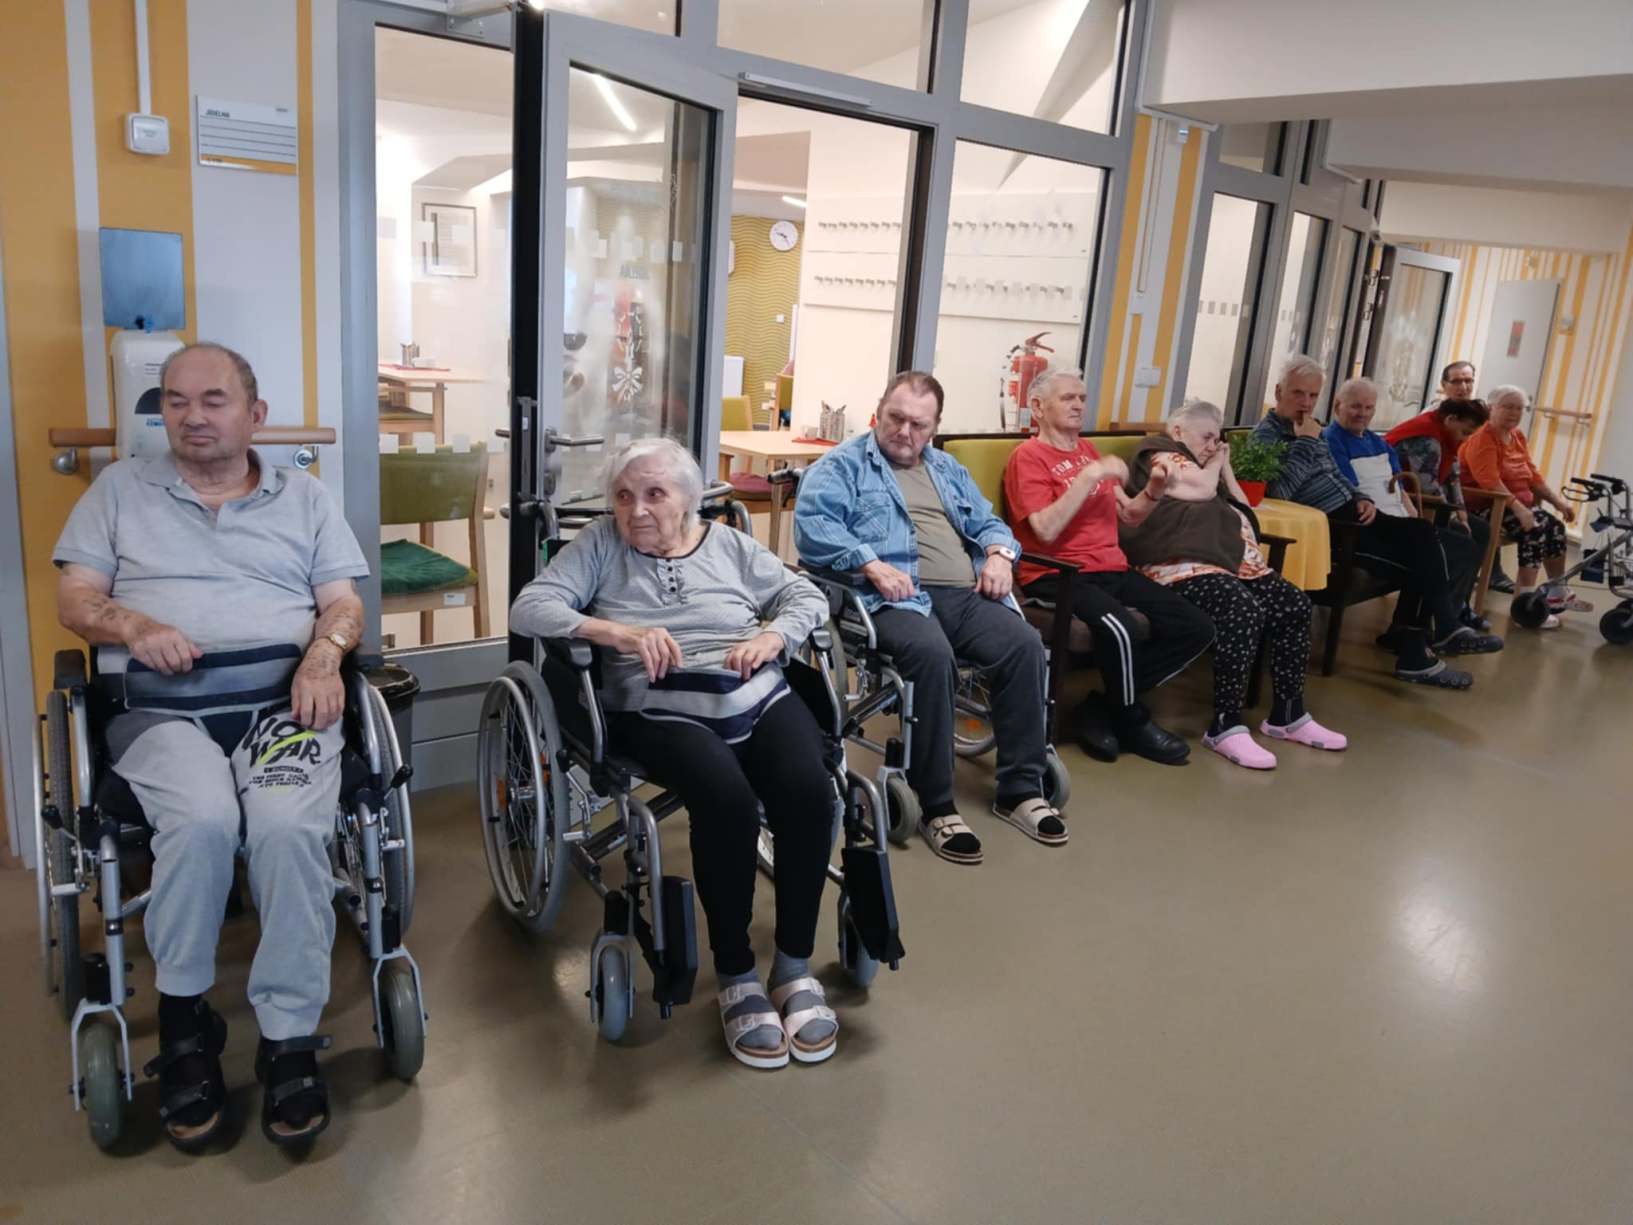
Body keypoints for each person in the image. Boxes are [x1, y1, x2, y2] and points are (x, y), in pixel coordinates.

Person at [53, 343, 368, 1149]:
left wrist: (325, 654)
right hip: (161, 710)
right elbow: (75, 598)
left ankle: (288, 1036)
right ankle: (186, 1019)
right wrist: (135, 624)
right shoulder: (118, 490)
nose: (192, 416)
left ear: (254, 414)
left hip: (281, 706)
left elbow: (342, 602)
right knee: (199, 821)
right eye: (175, 400)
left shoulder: (305, 497)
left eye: (213, 400)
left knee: (288, 827)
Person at [510, 438, 838, 1070]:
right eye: (623, 495)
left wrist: (773, 637)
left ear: (689, 499)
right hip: (657, 704)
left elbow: (806, 598)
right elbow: (531, 606)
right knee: (726, 799)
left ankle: (794, 966)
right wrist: (615, 632)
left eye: (654, 494)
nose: (636, 510)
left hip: (753, 689)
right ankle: (737, 974)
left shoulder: (731, 545)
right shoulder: (600, 546)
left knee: (808, 790)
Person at [795, 370, 1066, 866]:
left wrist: (1000, 555)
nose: (905, 431)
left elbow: (987, 522)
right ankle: (936, 803)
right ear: (878, 412)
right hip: (887, 600)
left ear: (934, 427)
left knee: (1024, 645)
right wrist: (870, 564)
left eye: (919, 424)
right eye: (896, 418)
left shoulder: (947, 468)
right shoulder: (840, 467)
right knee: (931, 654)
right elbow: (813, 530)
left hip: (964, 595)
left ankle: (1021, 790)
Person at [1002, 369, 1215, 765]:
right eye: (1068, 398)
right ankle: (1132, 721)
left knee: (1196, 626)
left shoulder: (1087, 451)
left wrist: (1154, 489)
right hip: (1056, 573)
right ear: (1038, 407)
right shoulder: (1027, 457)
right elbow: (1044, 530)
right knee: (1121, 628)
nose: (1078, 405)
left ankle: (1103, 706)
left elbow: (1130, 515)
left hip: (1111, 567)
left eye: (1082, 398)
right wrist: (1088, 477)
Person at [1251, 355, 1501, 689]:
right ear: (1279, 391)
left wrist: (1360, 496)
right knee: (1422, 557)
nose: (1307, 402)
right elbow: (1280, 492)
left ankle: (1438, 634)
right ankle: (1431, 642)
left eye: (1313, 395)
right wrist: (1307, 441)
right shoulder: (1268, 436)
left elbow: (1335, 475)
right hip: (1332, 529)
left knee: (1423, 533)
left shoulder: (1310, 426)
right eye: (1298, 393)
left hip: (1355, 512)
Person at [1120, 399, 1346, 769]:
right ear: (1177, 431)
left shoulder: (1207, 468)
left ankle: (1288, 715)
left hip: (1226, 564)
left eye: (1218, 439)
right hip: (1177, 565)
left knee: (1294, 605)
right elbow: (1199, 488)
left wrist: (1225, 468)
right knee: (1242, 609)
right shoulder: (1158, 452)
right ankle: (1226, 724)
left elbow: (1244, 509)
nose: (1213, 446)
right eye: (1207, 437)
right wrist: (1216, 465)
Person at [1324, 378, 1488, 649]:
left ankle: (1421, 629)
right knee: (1429, 547)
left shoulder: (1378, 443)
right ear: (1337, 405)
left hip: (1397, 525)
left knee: (1463, 547)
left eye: (1368, 407)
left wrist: (1415, 520)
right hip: (1366, 527)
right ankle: (1423, 632)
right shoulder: (1331, 442)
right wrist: (1417, 529)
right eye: (1355, 406)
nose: (1362, 413)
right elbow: (1350, 492)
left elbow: (1399, 489)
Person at [1458, 384, 1590, 629]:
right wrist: (1520, 509)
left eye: (1519, 408)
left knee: (1556, 527)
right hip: (1485, 506)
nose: (1514, 413)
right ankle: (1525, 605)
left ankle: (1556, 591)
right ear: (1491, 408)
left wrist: (1557, 501)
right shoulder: (1483, 439)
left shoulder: (1517, 436)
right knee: (1534, 531)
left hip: (1514, 505)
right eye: (1508, 407)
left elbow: (1532, 475)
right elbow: (1489, 482)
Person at [1385, 396, 1496, 628]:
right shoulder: (1427, 436)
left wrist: (1462, 513)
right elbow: (1428, 486)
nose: (1466, 438)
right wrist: (1454, 516)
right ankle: (1442, 618)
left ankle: (1459, 604)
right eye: (1465, 432)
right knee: (1461, 541)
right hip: (1403, 503)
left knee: (1480, 529)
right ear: (1451, 419)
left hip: (1422, 503)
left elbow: (1452, 477)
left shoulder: (1446, 434)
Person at [1436, 362, 1514, 592]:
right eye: (1457, 381)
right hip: (1440, 495)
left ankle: (1465, 594)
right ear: (1444, 385)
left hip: (1459, 491)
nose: (1464, 386)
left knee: (1489, 522)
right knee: (1482, 522)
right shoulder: (1436, 417)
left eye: (1468, 380)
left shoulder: (1477, 415)